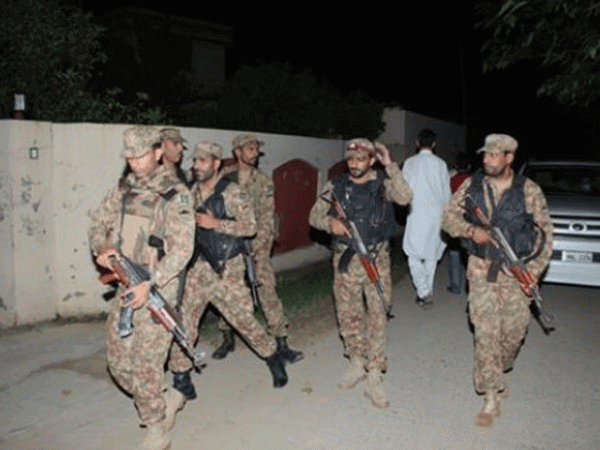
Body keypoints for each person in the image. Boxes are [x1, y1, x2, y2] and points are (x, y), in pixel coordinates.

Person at [89, 126, 195, 450]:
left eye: (141, 156)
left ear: (158, 152)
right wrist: (102, 249)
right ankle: (165, 397)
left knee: (146, 366)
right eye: (130, 157)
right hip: (124, 284)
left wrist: (152, 283)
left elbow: (183, 249)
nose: (135, 163)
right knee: (119, 365)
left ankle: (156, 430)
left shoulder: (176, 194)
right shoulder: (123, 189)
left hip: (156, 289)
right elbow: (98, 224)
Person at [441, 133, 553, 428]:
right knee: (485, 332)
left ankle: (501, 369)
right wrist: (470, 231)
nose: (487, 159)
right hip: (481, 269)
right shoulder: (471, 186)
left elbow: (545, 235)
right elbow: (447, 219)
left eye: (494, 155)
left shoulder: (529, 190)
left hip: (517, 270)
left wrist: (533, 272)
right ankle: (491, 397)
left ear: (509, 157)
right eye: (485, 154)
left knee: (514, 332)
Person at [168, 141, 288, 402]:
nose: (196, 165)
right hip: (196, 270)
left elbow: (250, 226)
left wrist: (217, 224)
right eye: (194, 161)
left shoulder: (233, 192)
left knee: (243, 320)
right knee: (184, 323)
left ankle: (272, 357)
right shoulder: (189, 192)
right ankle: (181, 376)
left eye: (202, 161)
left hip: (226, 269)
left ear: (216, 163)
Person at [309, 138, 412, 408]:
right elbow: (314, 216)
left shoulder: (383, 184)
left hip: (376, 259)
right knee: (348, 313)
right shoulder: (336, 185)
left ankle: (375, 371)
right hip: (345, 259)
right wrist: (330, 223)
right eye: (351, 159)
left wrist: (391, 165)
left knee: (377, 314)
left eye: (361, 159)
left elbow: (405, 197)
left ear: (372, 160)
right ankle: (356, 362)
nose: (354, 164)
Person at [211, 133, 304, 363]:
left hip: (255, 246)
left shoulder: (263, 181)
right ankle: (227, 337)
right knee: (227, 293)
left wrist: (258, 248)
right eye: (250, 148)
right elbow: (215, 210)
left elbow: (266, 218)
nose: (255, 153)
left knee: (267, 290)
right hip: (228, 246)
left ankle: (281, 341)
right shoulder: (223, 178)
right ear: (238, 151)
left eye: (256, 149)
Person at [402, 128, 451, 308]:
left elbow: (402, 190)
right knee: (431, 255)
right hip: (436, 215)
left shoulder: (409, 163)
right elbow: (446, 193)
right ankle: (425, 292)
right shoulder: (441, 164)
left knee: (412, 254)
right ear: (434, 144)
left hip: (415, 213)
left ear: (417, 142)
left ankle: (423, 291)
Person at [446, 152, 472, 295]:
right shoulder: (474, 180)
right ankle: (470, 285)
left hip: (455, 220)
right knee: (469, 254)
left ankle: (456, 286)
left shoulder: (451, 180)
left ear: (456, 165)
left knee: (454, 252)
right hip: (470, 221)